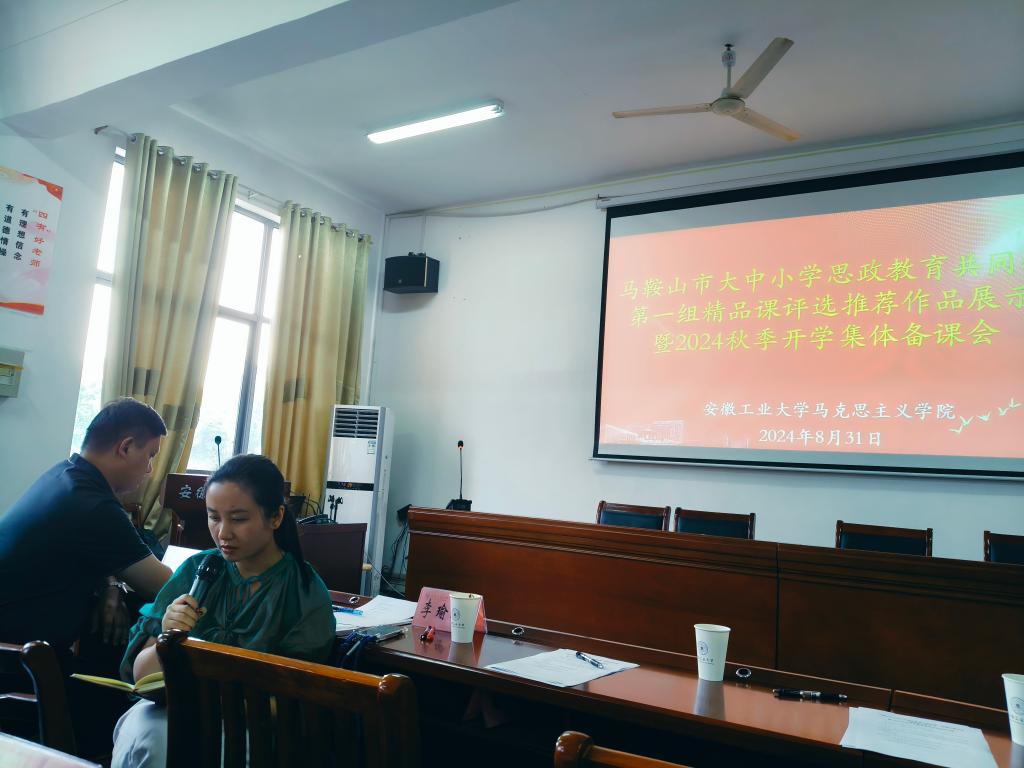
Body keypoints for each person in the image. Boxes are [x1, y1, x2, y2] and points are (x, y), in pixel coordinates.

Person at [112, 454, 336, 768]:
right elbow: (142, 676)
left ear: (275, 517)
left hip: (251, 726)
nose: (223, 533)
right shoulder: (196, 569)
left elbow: (297, 697)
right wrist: (167, 634)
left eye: (239, 519)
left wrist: (214, 702)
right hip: (173, 710)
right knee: (148, 737)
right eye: (213, 517)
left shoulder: (303, 589)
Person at [0, 397, 172, 653]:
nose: (149, 469)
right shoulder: (94, 505)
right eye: (150, 455)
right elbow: (166, 588)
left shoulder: (65, 474)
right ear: (125, 447)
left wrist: (111, 585)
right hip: (20, 658)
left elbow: (90, 547)